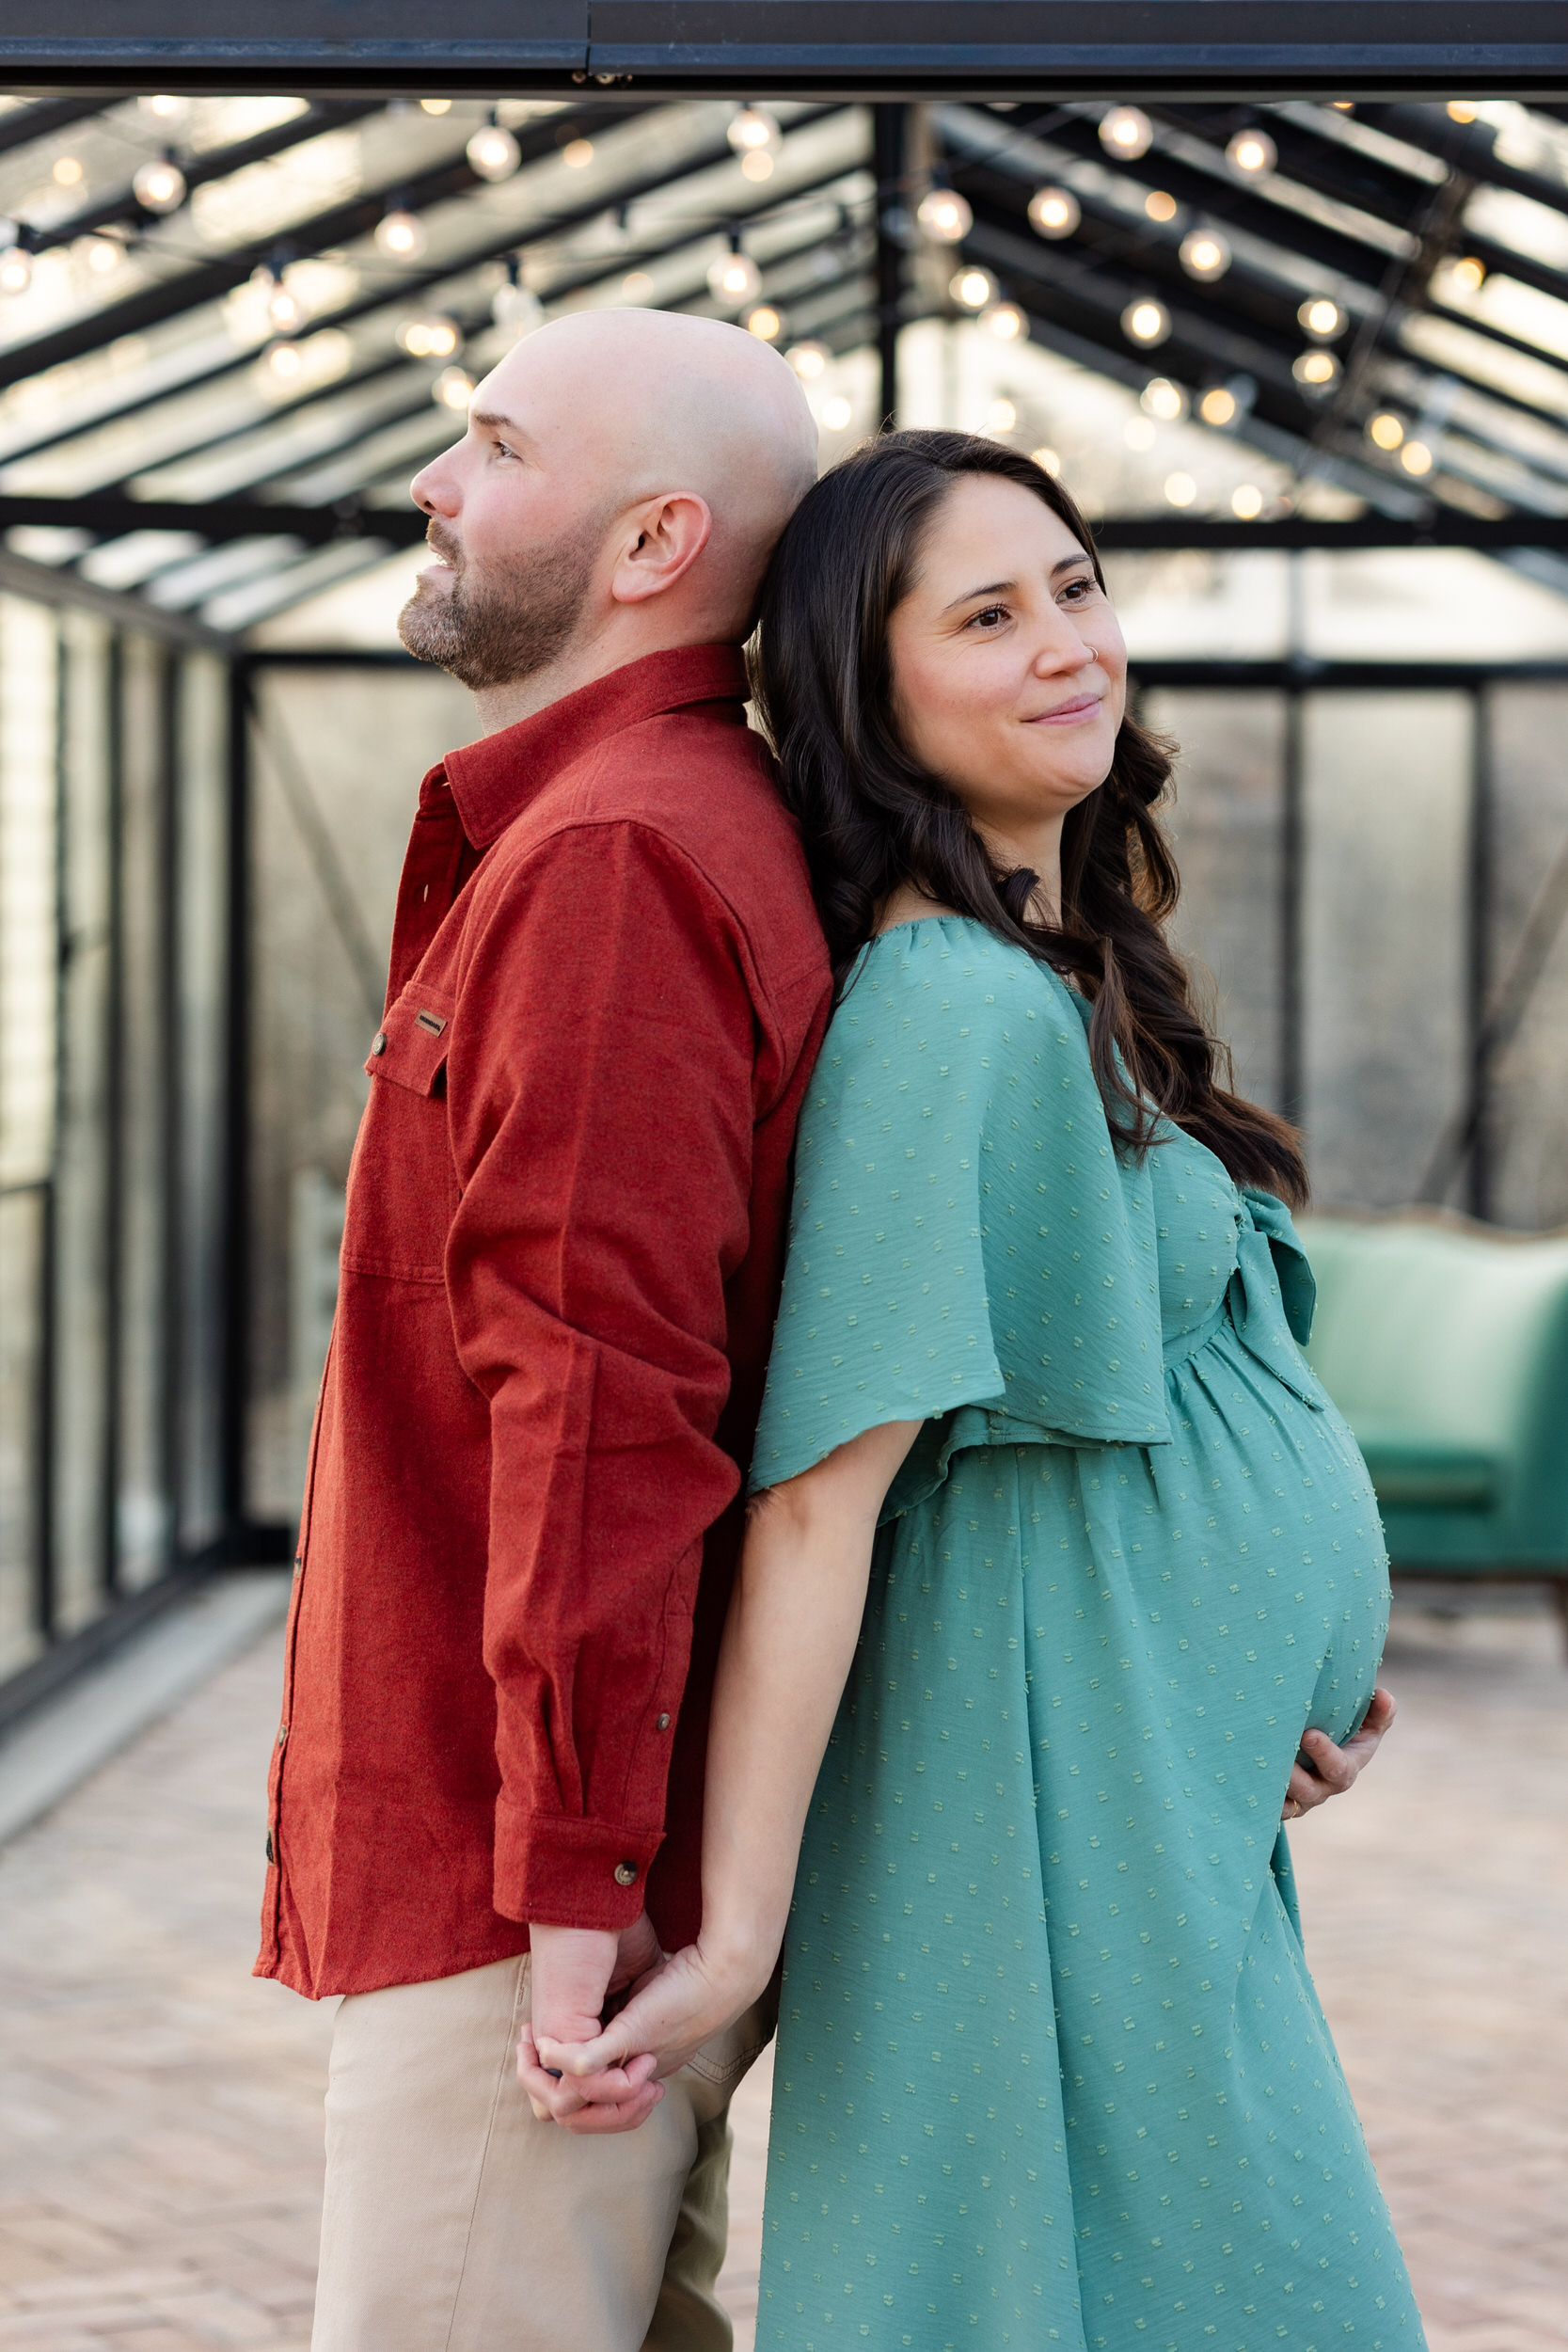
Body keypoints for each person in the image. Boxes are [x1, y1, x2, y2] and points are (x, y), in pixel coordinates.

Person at [543, 431, 1421, 2349]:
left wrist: (1248, 1674)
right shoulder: (947, 1009)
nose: (1067, 644)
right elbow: (822, 1496)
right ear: (876, 691)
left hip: (1140, 1759)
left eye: (1078, 586)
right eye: (990, 614)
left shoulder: (1062, 963)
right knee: (1200, 2277)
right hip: (1028, 1778)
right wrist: (743, 1933)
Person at [255, 307, 831, 2352]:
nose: (437, 477)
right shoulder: (624, 832)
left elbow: (603, 1402)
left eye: (492, 442)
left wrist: (572, 1886)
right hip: (547, 1849)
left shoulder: (615, 863)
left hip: (532, 1888)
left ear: (654, 539)